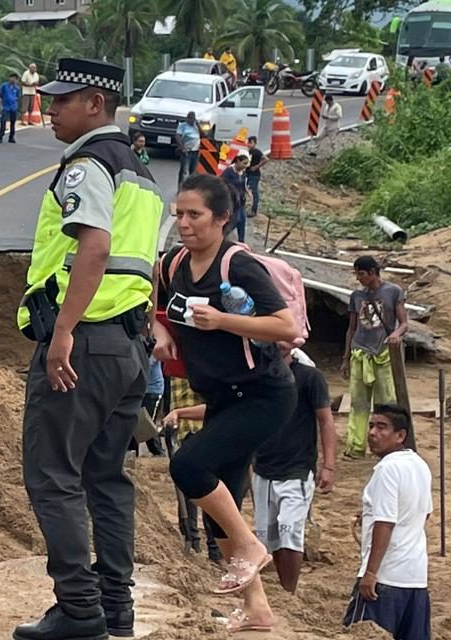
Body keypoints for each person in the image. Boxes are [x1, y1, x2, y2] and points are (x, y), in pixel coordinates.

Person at [12, 58, 164, 640]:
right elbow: (145, 264)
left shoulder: (88, 164)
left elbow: (95, 248)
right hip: (126, 346)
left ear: (94, 104)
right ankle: (115, 608)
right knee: (107, 477)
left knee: (52, 476)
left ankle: (79, 612)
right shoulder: (141, 172)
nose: (49, 109)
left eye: (60, 101)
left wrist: (64, 333)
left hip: (85, 342)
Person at [153, 174, 301, 634]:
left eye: (194, 215)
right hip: (219, 396)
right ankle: (257, 610)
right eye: (178, 214)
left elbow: (285, 326)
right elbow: (158, 306)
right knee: (223, 507)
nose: (184, 224)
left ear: (222, 219)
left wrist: (224, 320)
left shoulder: (237, 265)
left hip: (263, 395)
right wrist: (161, 334)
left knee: (189, 468)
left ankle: (252, 548)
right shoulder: (173, 264)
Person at [249, 344, 337, 593]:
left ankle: (289, 589)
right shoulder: (258, 376)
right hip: (264, 467)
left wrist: (328, 465)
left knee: (289, 532)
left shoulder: (309, 377)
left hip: (296, 469)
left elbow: (326, 420)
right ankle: (284, 585)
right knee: (268, 536)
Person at [343, 404, 432, 640]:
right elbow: (424, 513)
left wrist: (371, 573)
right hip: (415, 577)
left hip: (386, 577)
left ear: (400, 435)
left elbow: (385, 523)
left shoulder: (387, 469)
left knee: (362, 633)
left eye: (382, 427)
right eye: (371, 426)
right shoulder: (419, 465)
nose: (372, 433)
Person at [343, 256, 408, 459]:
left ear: (373, 272)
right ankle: (356, 447)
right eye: (357, 274)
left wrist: (395, 335)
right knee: (359, 403)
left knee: (385, 403)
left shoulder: (393, 291)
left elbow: (404, 323)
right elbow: (351, 329)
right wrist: (346, 357)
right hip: (360, 353)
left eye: (361, 274)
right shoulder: (356, 296)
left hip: (383, 355)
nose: (359, 278)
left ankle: (385, 447)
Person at [161, 385, 222, 563]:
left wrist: (180, 412)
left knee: (208, 491)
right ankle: (193, 538)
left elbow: (215, 405)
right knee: (189, 492)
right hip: (182, 432)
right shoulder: (174, 369)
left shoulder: (205, 368)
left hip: (205, 433)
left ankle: (214, 548)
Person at [220, 151, 250, 242]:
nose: (245, 166)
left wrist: (248, 194)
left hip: (241, 202)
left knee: (242, 221)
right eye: (244, 163)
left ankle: (241, 241)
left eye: (246, 164)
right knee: (234, 220)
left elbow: (244, 185)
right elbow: (221, 184)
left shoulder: (243, 174)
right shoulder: (229, 172)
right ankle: (222, 237)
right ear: (237, 161)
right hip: (231, 202)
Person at [175, 112, 202, 186]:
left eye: (193, 118)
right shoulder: (182, 125)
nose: (191, 120)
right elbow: (177, 136)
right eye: (190, 118)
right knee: (184, 171)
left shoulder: (196, 126)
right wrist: (182, 148)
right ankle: (180, 188)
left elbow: (204, 136)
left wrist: (198, 126)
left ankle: (190, 188)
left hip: (196, 151)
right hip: (186, 151)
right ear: (187, 118)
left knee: (193, 172)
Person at [246, 136, 267, 217]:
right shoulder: (249, 152)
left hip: (254, 175)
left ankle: (254, 210)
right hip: (248, 174)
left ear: (255, 143)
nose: (249, 144)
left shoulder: (256, 151)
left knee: (254, 193)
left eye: (250, 143)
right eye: (248, 143)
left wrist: (256, 167)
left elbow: (265, 159)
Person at [0, 72, 22, 143]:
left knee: (13, 122)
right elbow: (1, 95)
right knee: (3, 121)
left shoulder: (16, 88)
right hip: (6, 106)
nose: (13, 80)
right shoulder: (4, 86)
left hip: (13, 106)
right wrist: (0, 101)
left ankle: (11, 137)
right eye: (12, 78)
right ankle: (1, 135)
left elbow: (18, 96)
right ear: (9, 78)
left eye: (15, 79)